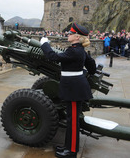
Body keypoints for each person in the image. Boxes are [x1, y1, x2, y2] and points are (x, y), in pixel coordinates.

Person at [40, 23, 96, 158]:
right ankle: (67, 147)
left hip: (74, 89)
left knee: (73, 121)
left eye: (70, 33)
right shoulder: (79, 49)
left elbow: (53, 57)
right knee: (71, 119)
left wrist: (44, 44)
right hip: (73, 87)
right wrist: (89, 72)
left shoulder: (75, 51)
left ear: (77, 37)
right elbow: (91, 64)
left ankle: (71, 151)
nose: (68, 35)